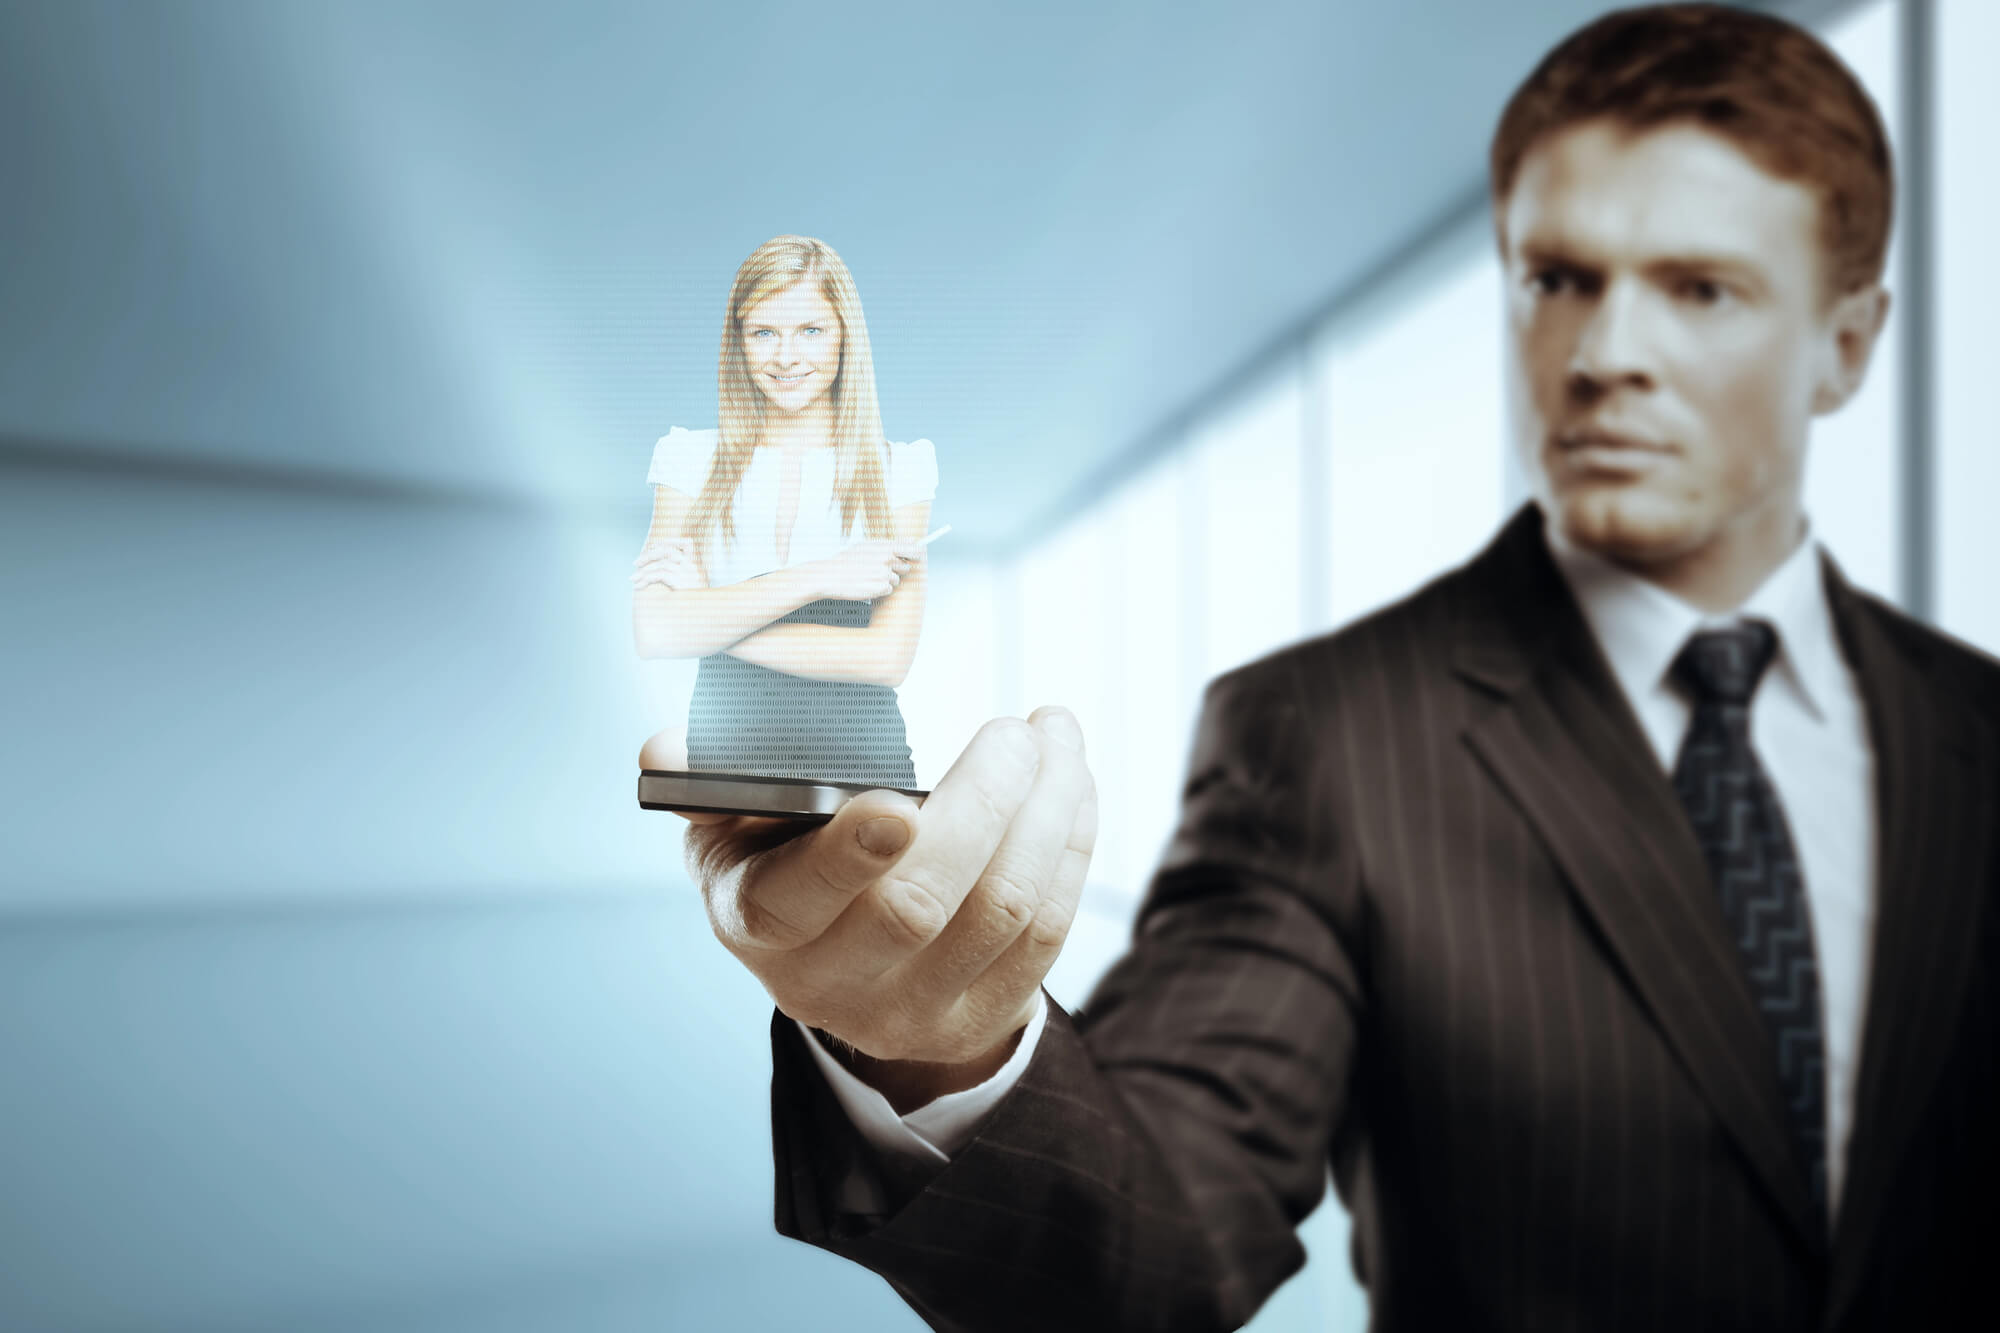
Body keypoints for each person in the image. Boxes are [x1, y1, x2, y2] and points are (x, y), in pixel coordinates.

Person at [674, 7, 1998, 1330]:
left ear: (1849, 341)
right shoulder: (1326, 732)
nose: (1602, 357)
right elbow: (1160, 1237)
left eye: (1700, 288)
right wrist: (940, 1048)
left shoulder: (1977, 732)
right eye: (1558, 280)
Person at [632, 235, 935, 790]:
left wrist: (708, 619)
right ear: (738, 342)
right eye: (764, 332)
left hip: (864, 763)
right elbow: (654, 631)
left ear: (845, 339)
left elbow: (887, 659)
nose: (787, 357)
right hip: (729, 759)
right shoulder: (687, 457)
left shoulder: (902, 467)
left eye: (811, 331)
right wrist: (826, 575)